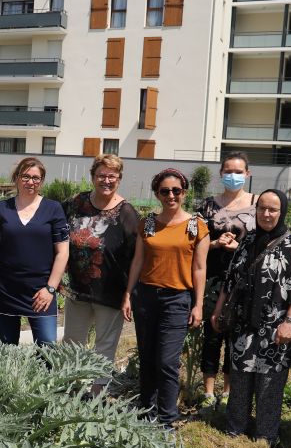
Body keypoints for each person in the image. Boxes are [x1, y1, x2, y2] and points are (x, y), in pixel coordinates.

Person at [213, 190, 291, 448]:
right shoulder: (248, 240)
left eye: (273, 210)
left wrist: (290, 323)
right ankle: (235, 429)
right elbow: (230, 280)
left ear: (282, 212)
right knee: (241, 376)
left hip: (276, 327)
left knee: (270, 382)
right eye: (262, 209)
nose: (266, 214)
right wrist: (218, 311)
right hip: (243, 324)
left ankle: (266, 437)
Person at [123, 168, 209, 428]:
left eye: (176, 190)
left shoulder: (196, 225)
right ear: (157, 194)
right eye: (165, 191)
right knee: (147, 358)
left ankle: (167, 419)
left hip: (177, 299)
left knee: (167, 361)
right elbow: (138, 261)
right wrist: (128, 294)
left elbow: (199, 268)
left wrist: (198, 304)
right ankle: (146, 413)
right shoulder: (148, 223)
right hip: (146, 297)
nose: (171, 195)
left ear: (184, 192)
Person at [63, 155, 139, 361]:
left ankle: (98, 391)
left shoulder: (127, 213)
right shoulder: (75, 203)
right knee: (71, 344)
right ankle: (72, 388)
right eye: (101, 175)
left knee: (104, 348)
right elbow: (57, 236)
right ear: (92, 177)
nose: (106, 180)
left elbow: (136, 258)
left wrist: (129, 294)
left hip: (111, 293)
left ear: (119, 179)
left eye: (112, 176)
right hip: (78, 291)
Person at [196, 152, 257, 408]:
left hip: (245, 280)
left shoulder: (258, 203)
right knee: (212, 332)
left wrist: (240, 247)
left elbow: (265, 242)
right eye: (228, 171)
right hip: (212, 278)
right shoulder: (206, 206)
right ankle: (209, 391)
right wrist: (214, 243)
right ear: (221, 174)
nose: (233, 176)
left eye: (238, 171)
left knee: (236, 335)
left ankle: (229, 390)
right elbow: (193, 244)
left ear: (247, 174)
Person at [0, 157, 69, 346]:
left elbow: (62, 253)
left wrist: (50, 288)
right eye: (25, 177)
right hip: (6, 289)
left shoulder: (53, 209)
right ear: (16, 178)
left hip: (41, 291)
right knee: (7, 350)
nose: (30, 182)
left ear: (41, 181)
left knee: (47, 348)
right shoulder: (2, 208)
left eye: (36, 178)